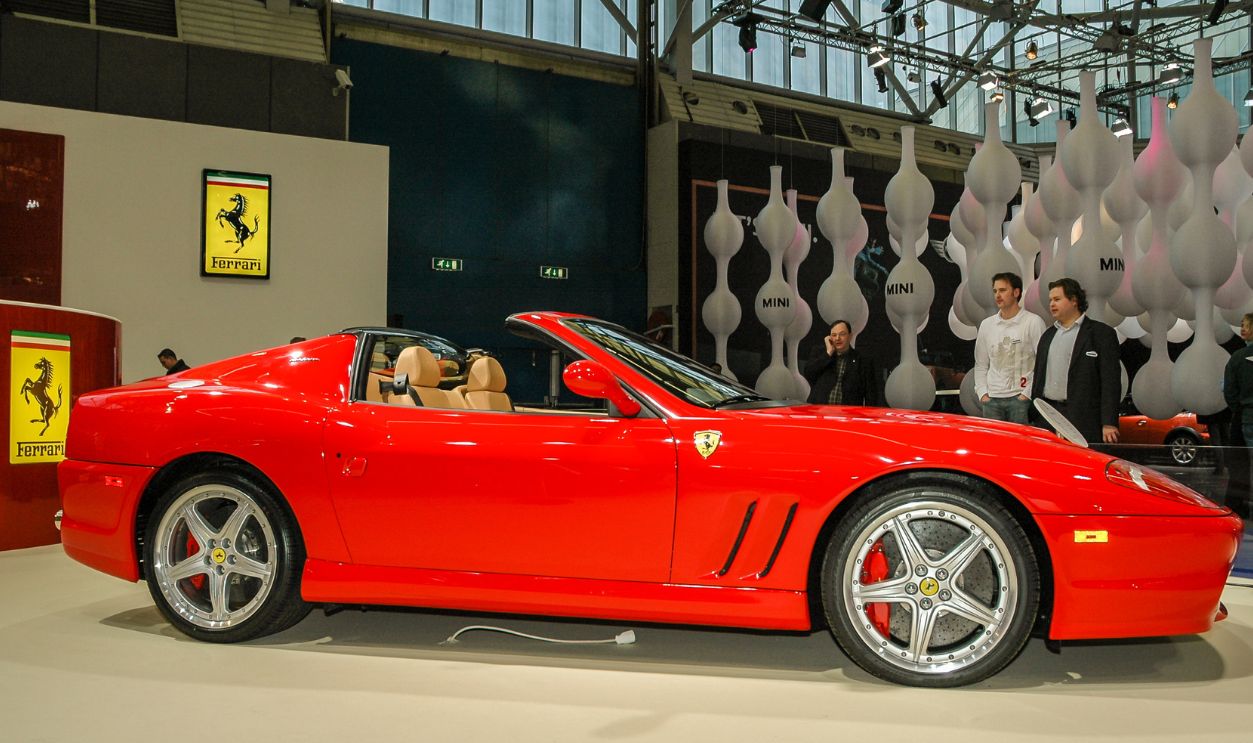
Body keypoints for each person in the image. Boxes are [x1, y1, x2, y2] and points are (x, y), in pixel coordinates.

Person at [1030, 278, 1121, 444]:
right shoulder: (1047, 336)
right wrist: (1034, 413)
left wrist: (1109, 422)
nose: (1052, 304)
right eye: (1050, 300)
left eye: (1057, 299)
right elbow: (1038, 377)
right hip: (1048, 416)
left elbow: (1111, 382)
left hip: (1083, 419)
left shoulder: (1101, 334)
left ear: (1074, 300)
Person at [973, 272, 1046, 424]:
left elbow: (1042, 362)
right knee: (994, 446)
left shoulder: (1032, 322)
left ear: (1016, 292)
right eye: (995, 291)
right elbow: (981, 363)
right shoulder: (987, 325)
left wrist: (1026, 394)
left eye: (1002, 290)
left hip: (1020, 398)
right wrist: (982, 393)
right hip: (992, 399)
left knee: (1022, 446)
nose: (998, 295)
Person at [803, 320, 882, 406]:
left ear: (850, 336)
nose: (837, 338)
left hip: (849, 415)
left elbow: (871, 395)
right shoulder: (820, 353)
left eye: (842, 334)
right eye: (834, 335)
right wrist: (828, 353)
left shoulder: (863, 361)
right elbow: (809, 373)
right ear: (829, 338)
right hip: (820, 412)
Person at [1221, 313, 1253, 518]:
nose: (1242, 329)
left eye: (1247, 325)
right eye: (1242, 325)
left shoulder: (1238, 358)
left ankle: (1240, 505)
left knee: (1243, 463)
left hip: (1248, 416)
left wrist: (1239, 407)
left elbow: (1229, 391)